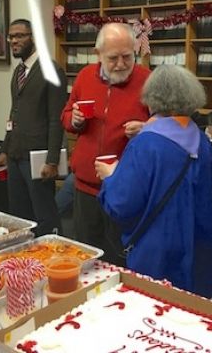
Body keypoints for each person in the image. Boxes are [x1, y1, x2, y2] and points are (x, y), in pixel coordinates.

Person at [96, 65, 212, 297]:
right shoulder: (203, 143)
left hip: (157, 253)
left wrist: (111, 176)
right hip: (199, 247)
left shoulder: (145, 145)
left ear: (151, 99)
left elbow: (121, 205)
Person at [61, 22, 150, 265]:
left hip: (125, 188)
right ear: (97, 54)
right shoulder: (84, 76)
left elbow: (164, 128)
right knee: (86, 256)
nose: (121, 64)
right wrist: (75, 119)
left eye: (127, 57)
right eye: (113, 58)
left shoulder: (147, 80)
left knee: (119, 259)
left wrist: (146, 129)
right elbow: (66, 116)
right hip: (85, 187)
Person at [0, 19, 67, 236]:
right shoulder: (19, 72)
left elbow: (56, 119)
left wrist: (52, 160)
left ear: (34, 37)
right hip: (15, 155)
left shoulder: (51, 70)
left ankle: (52, 259)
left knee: (45, 216)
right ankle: (25, 263)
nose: (14, 41)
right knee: (19, 217)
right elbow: (13, 114)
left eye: (20, 36)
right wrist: (5, 150)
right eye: (11, 37)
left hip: (38, 158)